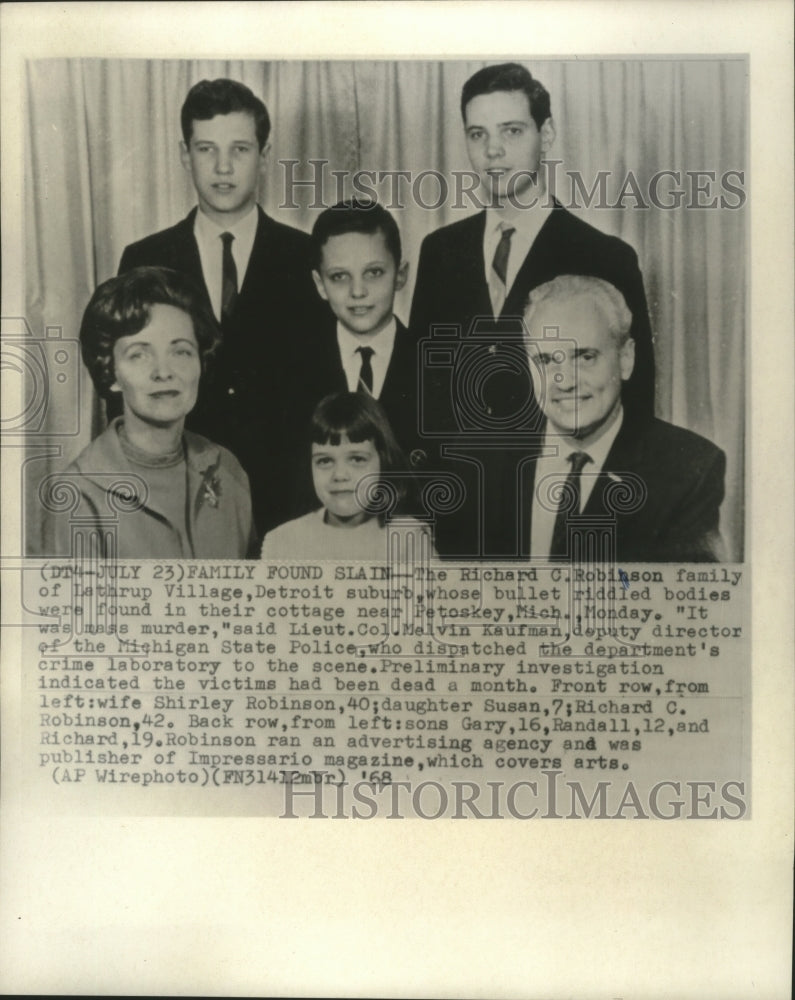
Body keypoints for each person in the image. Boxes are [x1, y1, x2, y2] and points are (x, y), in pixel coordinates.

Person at [409, 62, 655, 556]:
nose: (492, 150)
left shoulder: (604, 256)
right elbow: (422, 394)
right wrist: (420, 509)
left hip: (562, 524)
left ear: (547, 135)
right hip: (459, 526)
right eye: (477, 134)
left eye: (511, 131)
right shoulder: (440, 251)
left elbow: (638, 409)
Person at [117, 78, 324, 536]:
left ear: (265, 157)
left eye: (241, 150)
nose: (223, 167)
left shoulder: (307, 256)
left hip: (287, 506)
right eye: (207, 149)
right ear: (184, 154)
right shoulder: (144, 259)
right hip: (175, 504)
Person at [518, 275, 725, 562]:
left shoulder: (689, 469)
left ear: (625, 359)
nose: (563, 382)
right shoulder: (480, 461)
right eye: (545, 361)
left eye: (585, 357)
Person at [53, 267, 256, 559]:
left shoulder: (228, 470)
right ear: (111, 373)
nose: (164, 372)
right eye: (139, 354)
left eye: (181, 351)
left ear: (201, 362)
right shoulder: (79, 493)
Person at [261, 392, 435, 561]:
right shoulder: (282, 542)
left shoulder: (410, 539)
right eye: (324, 461)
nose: (339, 475)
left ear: (384, 462)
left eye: (357, 459)